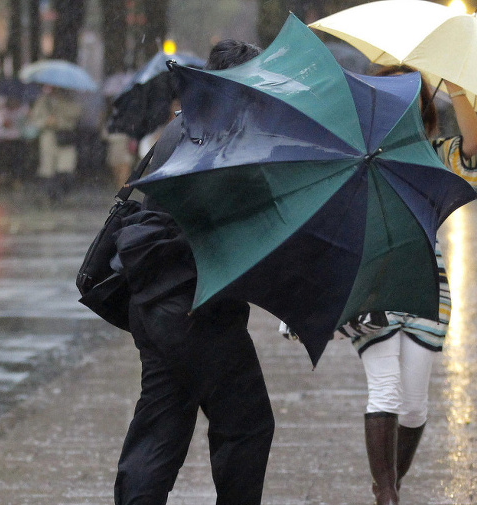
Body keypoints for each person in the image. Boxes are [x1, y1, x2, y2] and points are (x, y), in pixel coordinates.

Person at [113, 39, 274, 505]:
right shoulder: (227, 136)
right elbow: (236, 227)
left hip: (152, 301)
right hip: (196, 307)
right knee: (247, 424)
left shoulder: (182, 128)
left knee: (161, 428)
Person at [337, 65, 477, 505]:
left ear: (422, 110)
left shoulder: (433, 154)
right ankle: (387, 495)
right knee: (384, 388)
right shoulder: (359, 153)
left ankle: (390, 484)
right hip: (373, 282)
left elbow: (473, 149)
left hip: (427, 284)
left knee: (415, 406)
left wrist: (458, 86)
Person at [27, 85, 82, 203]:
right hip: (49, 136)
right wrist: (46, 121)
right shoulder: (42, 101)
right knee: (48, 168)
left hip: (65, 136)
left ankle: (62, 192)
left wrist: (60, 108)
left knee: (66, 167)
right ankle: (51, 195)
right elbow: (35, 119)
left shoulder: (68, 100)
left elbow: (76, 113)